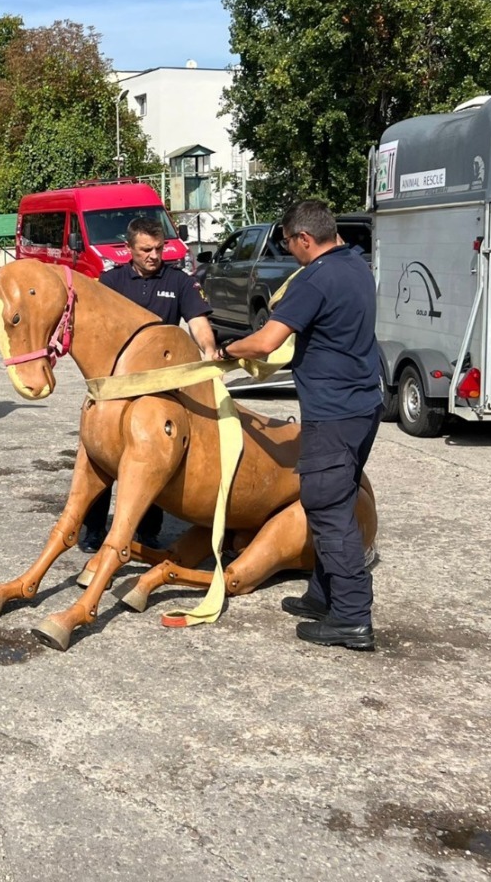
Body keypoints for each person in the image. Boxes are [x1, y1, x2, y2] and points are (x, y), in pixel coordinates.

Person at [219, 200, 383, 651]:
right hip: (364, 406)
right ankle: (322, 595)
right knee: (339, 497)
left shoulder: (314, 278)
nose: (289, 252)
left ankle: (351, 618)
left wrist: (229, 351)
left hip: (333, 413)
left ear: (304, 239)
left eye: (289, 244)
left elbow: (269, 339)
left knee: (327, 507)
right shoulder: (355, 266)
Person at [79, 216, 220, 552]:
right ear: (129, 249)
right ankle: (94, 528)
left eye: (158, 248)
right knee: (101, 458)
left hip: (160, 385)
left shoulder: (180, 281)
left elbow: (198, 321)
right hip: (117, 385)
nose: (154, 255)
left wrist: (210, 350)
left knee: (155, 457)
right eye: (146, 250)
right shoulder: (110, 282)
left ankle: (147, 530)